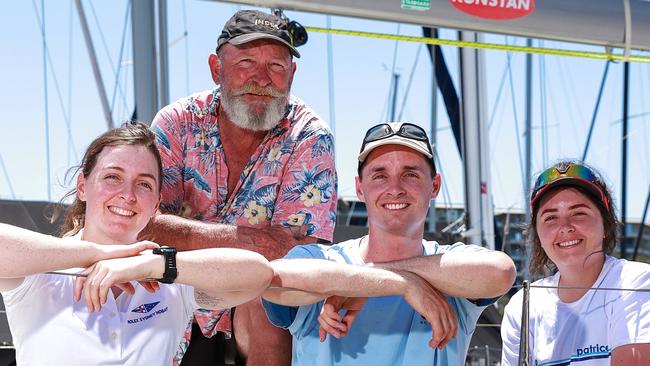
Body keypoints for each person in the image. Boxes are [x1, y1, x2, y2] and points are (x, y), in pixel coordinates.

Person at [146, 9, 337, 366]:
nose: (261, 79)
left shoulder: (309, 136)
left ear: (292, 75)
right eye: (246, 62)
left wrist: (192, 238)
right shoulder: (176, 123)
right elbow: (146, 225)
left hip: (258, 311)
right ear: (216, 68)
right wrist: (250, 241)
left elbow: (300, 256)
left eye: (276, 67)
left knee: (266, 286)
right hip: (176, 293)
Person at [0, 122, 273, 365]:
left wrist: (153, 265)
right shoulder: (37, 274)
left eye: (143, 184)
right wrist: (100, 255)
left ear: (156, 204)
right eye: (112, 177)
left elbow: (258, 274)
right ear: (82, 186)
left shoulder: (170, 280)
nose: (128, 195)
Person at [262, 122, 517, 365]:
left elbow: (501, 272)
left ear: (435, 186)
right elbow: (272, 279)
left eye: (410, 174)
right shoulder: (323, 260)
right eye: (380, 176)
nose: (395, 188)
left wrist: (377, 279)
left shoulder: (451, 268)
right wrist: (405, 285)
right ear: (359, 188)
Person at [500, 161, 650, 365]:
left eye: (579, 213)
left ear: (605, 225)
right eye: (550, 217)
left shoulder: (635, 282)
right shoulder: (522, 306)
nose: (565, 227)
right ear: (538, 236)